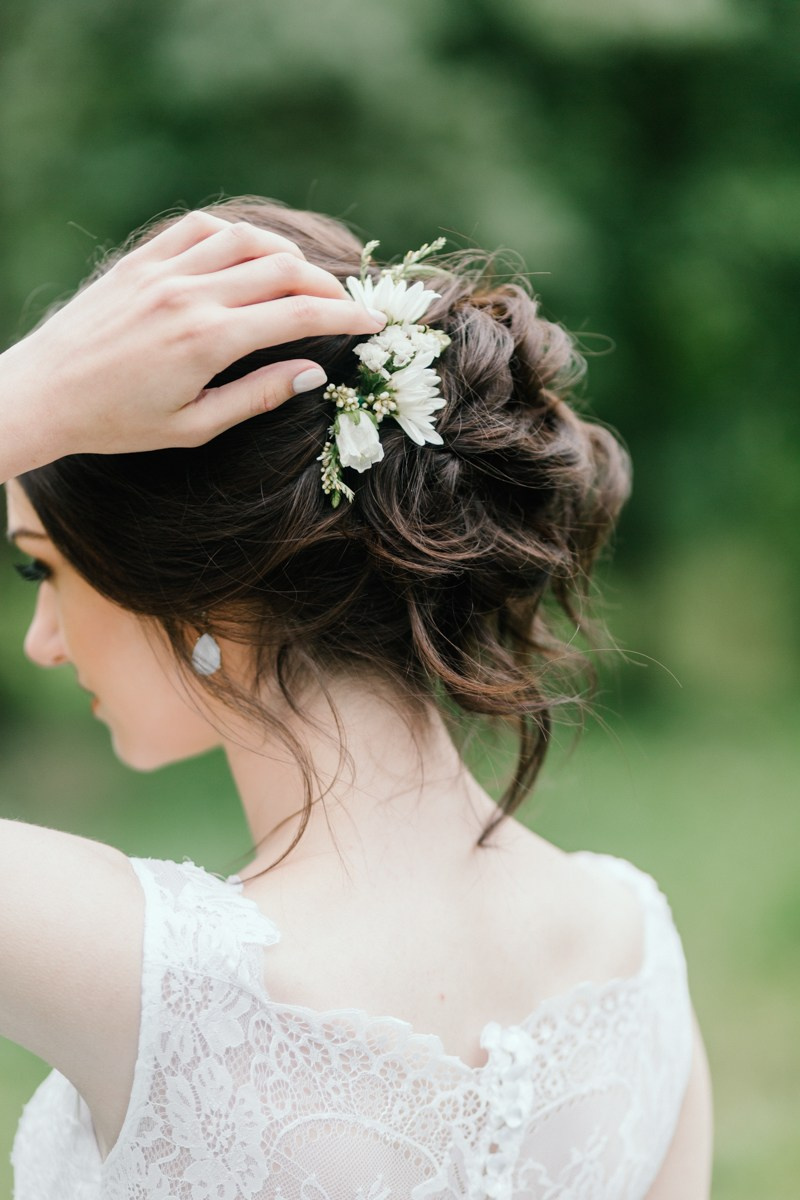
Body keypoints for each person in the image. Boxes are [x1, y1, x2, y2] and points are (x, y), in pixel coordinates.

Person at [0, 199, 712, 1199]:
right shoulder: (634, 959)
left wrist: (23, 396)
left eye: (42, 570)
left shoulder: (146, 981)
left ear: (200, 575)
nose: (42, 642)